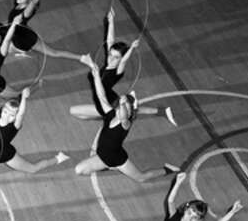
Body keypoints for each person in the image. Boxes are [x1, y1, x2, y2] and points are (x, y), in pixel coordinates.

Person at [74, 55, 178, 183]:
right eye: (122, 106)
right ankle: (107, 166)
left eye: (127, 108)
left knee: (141, 178)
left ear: (129, 112)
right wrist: (96, 77)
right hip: (102, 156)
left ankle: (167, 169)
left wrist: (123, 103)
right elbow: (101, 96)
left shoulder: (125, 124)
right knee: (79, 170)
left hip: (116, 159)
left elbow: (123, 116)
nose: (123, 109)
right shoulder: (110, 113)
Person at [69, 8, 175, 124]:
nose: (111, 58)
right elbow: (110, 40)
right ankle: (162, 111)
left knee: (74, 111)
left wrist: (132, 48)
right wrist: (112, 20)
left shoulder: (118, 71)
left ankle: (159, 111)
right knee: (128, 111)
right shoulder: (108, 63)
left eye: (116, 57)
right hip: (110, 98)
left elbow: (124, 60)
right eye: (110, 54)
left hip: (105, 104)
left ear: (120, 59)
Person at [0, 61, 68, 174]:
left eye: (12, 115)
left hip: (5, 154)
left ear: (15, 118)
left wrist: (24, 98)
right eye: (6, 111)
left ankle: (58, 158)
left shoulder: (14, 125)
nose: (7, 116)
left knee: (32, 169)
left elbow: (21, 113)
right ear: (2, 109)